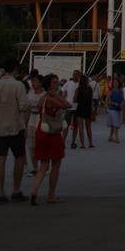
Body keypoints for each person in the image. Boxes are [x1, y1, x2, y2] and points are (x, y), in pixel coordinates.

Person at [0, 66, 30, 204]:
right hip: (15, 126)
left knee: (0, 158)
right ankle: (16, 190)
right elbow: (24, 105)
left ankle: (0, 193)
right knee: (19, 157)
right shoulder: (18, 85)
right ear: (15, 70)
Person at [30, 74, 69, 205]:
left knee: (43, 166)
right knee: (56, 165)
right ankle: (51, 195)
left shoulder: (42, 98)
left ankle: (34, 190)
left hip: (41, 132)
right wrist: (57, 95)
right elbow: (66, 105)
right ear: (49, 85)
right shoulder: (51, 98)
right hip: (52, 134)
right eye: (54, 82)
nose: (57, 84)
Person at [106, 76, 124, 143]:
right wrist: (114, 103)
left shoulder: (121, 91)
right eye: (114, 83)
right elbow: (107, 101)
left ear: (119, 83)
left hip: (119, 109)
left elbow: (123, 99)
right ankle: (117, 138)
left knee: (114, 124)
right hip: (112, 109)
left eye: (117, 82)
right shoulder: (111, 91)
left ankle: (110, 137)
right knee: (116, 124)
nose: (115, 84)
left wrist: (122, 104)